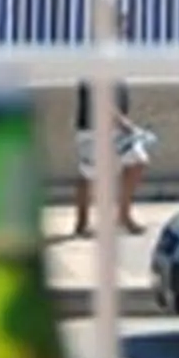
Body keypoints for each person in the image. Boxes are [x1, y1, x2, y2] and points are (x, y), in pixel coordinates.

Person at [73, 75, 156, 237]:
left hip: (117, 130)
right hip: (93, 129)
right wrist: (122, 121)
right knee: (90, 176)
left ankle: (123, 216)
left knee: (138, 161)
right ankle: (82, 224)